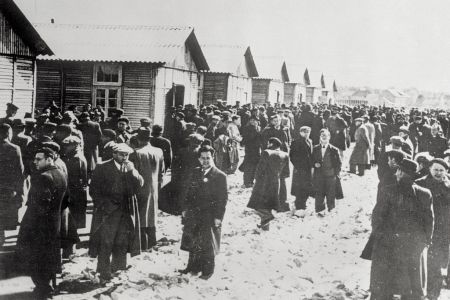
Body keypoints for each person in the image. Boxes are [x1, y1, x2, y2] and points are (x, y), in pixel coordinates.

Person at [370, 159, 433, 300]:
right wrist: (381, 236)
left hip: (410, 246)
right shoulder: (388, 190)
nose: (397, 174)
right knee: (390, 284)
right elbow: (377, 217)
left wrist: (424, 242)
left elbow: (428, 221)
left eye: (400, 171)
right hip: (391, 244)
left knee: (409, 286)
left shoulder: (423, 194)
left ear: (406, 174)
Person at [15, 147, 67, 299]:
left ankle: (43, 290)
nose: (35, 162)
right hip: (54, 222)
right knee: (49, 256)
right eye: (35, 159)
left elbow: (39, 205)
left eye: (39, 159)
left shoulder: (43, 177)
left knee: (37, 258)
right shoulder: (60, 173)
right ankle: (48, 286)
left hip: (39, 225)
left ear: (49, 159)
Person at [89, 143, 144, 282]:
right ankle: (103, 271)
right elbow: (94, 190)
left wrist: (132, 171)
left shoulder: (130, 167)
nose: (125, 157)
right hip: (108, 213)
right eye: (121, 154)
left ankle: (118, 268)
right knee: (106, 242)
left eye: (127, 154)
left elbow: (140, 185)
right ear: (114, 154)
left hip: (125, 212)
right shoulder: (102, 167)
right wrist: (103, 205)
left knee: (122, 241)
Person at [180, 145, 228, 280]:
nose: (206, 160)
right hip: (194, 213)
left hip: (209, 215)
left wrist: (219, 217)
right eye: (203, 158)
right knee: (193, 240)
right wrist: (185, 209)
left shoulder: (220, 176)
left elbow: (222, 199)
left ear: (212, 158)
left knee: (208, 243)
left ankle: (208, 271)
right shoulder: (195, 172)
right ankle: (192, 267)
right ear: (199, 159)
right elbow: (188, 193)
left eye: (208, 158)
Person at [416, 159, 450, 299]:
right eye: (435, 169)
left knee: (437, 264)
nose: (438, 173)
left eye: (441, 170)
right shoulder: (420, 183)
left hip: (443, 231)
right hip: (424, 230)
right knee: (425, 263)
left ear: (446, 171)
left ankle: (433, 294)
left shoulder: (448, 185)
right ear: (429, 169)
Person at [129, 128, 165, 250]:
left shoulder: (135, 153)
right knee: (151, 214)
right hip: (154, 187)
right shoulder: (159, 151)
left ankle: (142, 243)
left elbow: (133, 175)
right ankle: (151, 242)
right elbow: (161, 172)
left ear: (138, 139)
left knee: (140, 214)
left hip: (140, 188)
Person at [247, 137, 290, 230]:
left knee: (257, 204)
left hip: (264, 182)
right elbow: (286, 173)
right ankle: (265, 226)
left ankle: (268, 216)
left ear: (271, 144)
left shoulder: (267, 152)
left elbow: (260, 168)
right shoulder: (285, 154)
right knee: (269, 205)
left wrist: (255, 179)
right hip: (277, 183)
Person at [60, 136, 88, 257]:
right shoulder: (74, 157)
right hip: (74, 193)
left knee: (72, 222)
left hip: (74, 194)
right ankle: (70, 250)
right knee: (71, 223)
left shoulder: (76, 159)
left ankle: (70, 251)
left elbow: (76, 180)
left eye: (68, 145)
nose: (65, 148)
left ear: (75, 145)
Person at [0, 123, 24, 245]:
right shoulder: (14, 149)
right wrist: (21, 193)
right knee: (3, 220)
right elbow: (20, 173)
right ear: (8, 133)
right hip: (7, 191)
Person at [312, 129, 341, 215]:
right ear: (320, 137)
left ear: (329, 137)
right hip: (319, 175)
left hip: (330, 175)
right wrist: (314, 164)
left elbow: (339, 163)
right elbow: (311, 160)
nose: (324, 137)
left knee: (331, 193)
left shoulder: (334, 149)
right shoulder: (315, 148)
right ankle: (320, 210)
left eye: (326, 135)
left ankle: (331, 209)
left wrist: (335, 174)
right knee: (319, 193)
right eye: (322, 136)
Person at [290, 126, 313, 213]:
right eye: (305, 132)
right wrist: (298, 166)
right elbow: (292, 156)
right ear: (300, 133)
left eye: (308, 132)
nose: (307, 133)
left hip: (308, 168)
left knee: (307, 185)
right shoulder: (296, 142)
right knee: (299, 187)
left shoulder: (310, 141)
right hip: (300, 168)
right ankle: (299, 204)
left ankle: (303, 202)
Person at [77, 112, 102, 178]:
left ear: (82, 118)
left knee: (85, 161)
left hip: (84, 146)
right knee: (93, 161)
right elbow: (99, 136)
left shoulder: (79, 125)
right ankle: (93, 175)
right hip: (94, 146)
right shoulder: (96, 124)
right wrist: (96, 144)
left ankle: (86, 176)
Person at [240, 117, 262, 187]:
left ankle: (250, 182)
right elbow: (245, 140)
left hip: (256, 150)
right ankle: (246, 182)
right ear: (249, 121)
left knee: (254, 167)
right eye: (252, 120)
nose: (254, 122)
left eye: (255, 120)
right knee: (249, 167)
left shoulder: (258, 128)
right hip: (250, 150)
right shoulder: (248, 129)